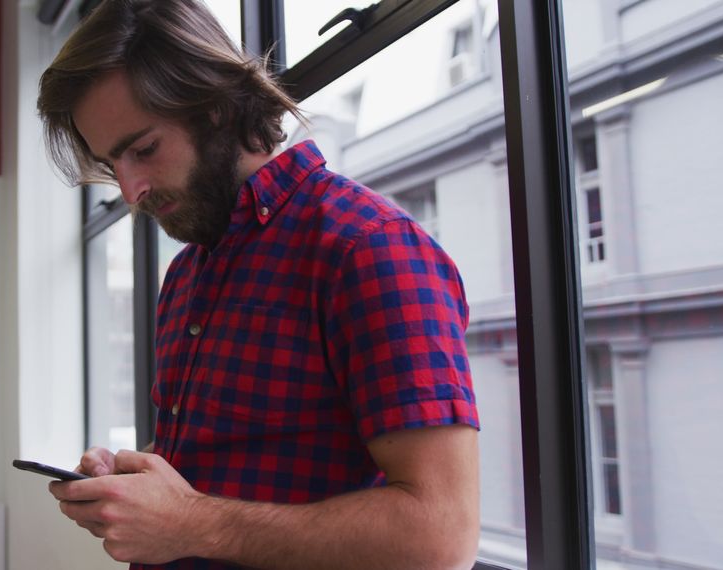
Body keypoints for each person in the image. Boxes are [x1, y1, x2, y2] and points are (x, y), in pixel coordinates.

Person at [36, 1, 480, 568]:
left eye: (144, 149)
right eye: (112, 162)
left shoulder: (367, 248)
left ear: (215, 106)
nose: (130, 191)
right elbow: (218, 467)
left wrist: (193, 524)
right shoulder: (188, 272)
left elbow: (441, 538)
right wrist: (132, 481)